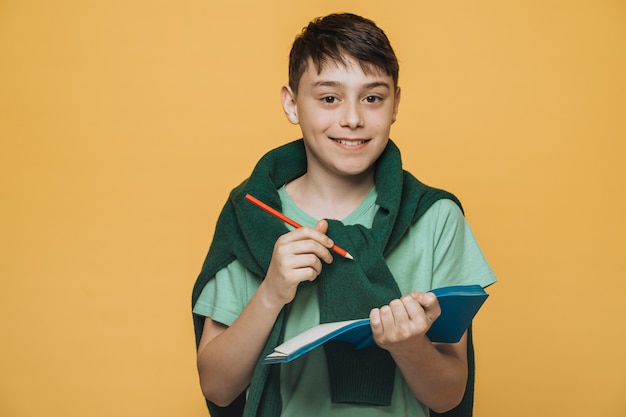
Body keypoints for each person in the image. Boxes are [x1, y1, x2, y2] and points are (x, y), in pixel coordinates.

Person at [192, 12, 497, 417]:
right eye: (329, 97)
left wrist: (409, 346)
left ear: (395, 104)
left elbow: (448, 396)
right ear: (291, 103)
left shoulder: (435, 217)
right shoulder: (252, 216)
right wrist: (271, 292)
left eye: (372, 98)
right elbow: (217, 387)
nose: (352, 119)